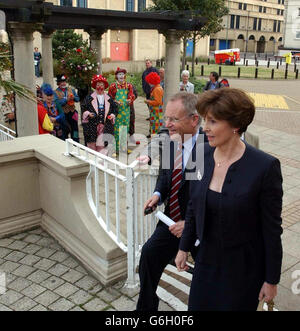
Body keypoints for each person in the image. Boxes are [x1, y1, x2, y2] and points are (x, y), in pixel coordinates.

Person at [175, 88, 283, 311]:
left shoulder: (265, 167)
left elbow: (272, 230)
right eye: (205, 120)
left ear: (235, 125)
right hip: (205, 263)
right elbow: (193, 206)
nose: (205, 128)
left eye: (213, 121)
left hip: (243, 272)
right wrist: (183, 247)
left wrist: (271, 280)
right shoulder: (200, 154)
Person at [136, 92, 207, 311]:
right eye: (166, 118)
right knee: (148, 256)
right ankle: (145, 310)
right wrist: (157, 195)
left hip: (200, 229)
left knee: (204, 279)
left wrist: (191, 226)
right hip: (170, 221)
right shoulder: (170, 141)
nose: (167, 124)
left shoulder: (209, 149)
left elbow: (215, 199)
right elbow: (165, 177)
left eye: (174, 119)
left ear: (194, 120)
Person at [81, 74, 117, 154]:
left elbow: (114, 109)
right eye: (98, 85)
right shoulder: (89, 97)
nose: (100, 87)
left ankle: (101, 161)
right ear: (95, 86)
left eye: (101, 85)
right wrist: (88, 113)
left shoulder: (109, 98)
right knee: (91, 143)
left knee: (102, 143)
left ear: (104, 86)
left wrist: (112, 115)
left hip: (104, 125)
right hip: (92, 125)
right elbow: (83, 108)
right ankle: (92, 158)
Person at [108, 68, 135, 154]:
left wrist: (129, 100)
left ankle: (124, 148)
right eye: (119, 74)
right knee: (117, 130)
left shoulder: (129, 86)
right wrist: (115, 102)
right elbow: (109, 98)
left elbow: (132, 96)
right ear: (116, 76)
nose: (121, 76)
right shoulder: (113, 86)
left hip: (126, 111)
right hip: (117, 111)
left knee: (125, 129)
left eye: (122, 74)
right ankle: (116, 149)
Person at [54, 74, 80, 142]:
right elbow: (57, 103)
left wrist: (74, 98)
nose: (63, 83)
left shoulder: (71, 90)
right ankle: (65, 145)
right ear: (58, 83)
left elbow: (78, 99)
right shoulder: (55, 92)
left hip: (72, 113)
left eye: (64, 81)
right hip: (63, 115)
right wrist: (66, 100)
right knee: (64, 131)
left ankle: (76, 143)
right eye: (61, 82)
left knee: (75, 130)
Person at [144, 72, 164, 137]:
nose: (149, 84)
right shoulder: (156, 87)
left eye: (149, 82)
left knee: (155, 127)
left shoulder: (157, 89)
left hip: (156, 112)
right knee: (154, 126)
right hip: (155, 111)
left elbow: (158, 102)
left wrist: (148, 101)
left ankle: (155, 141)